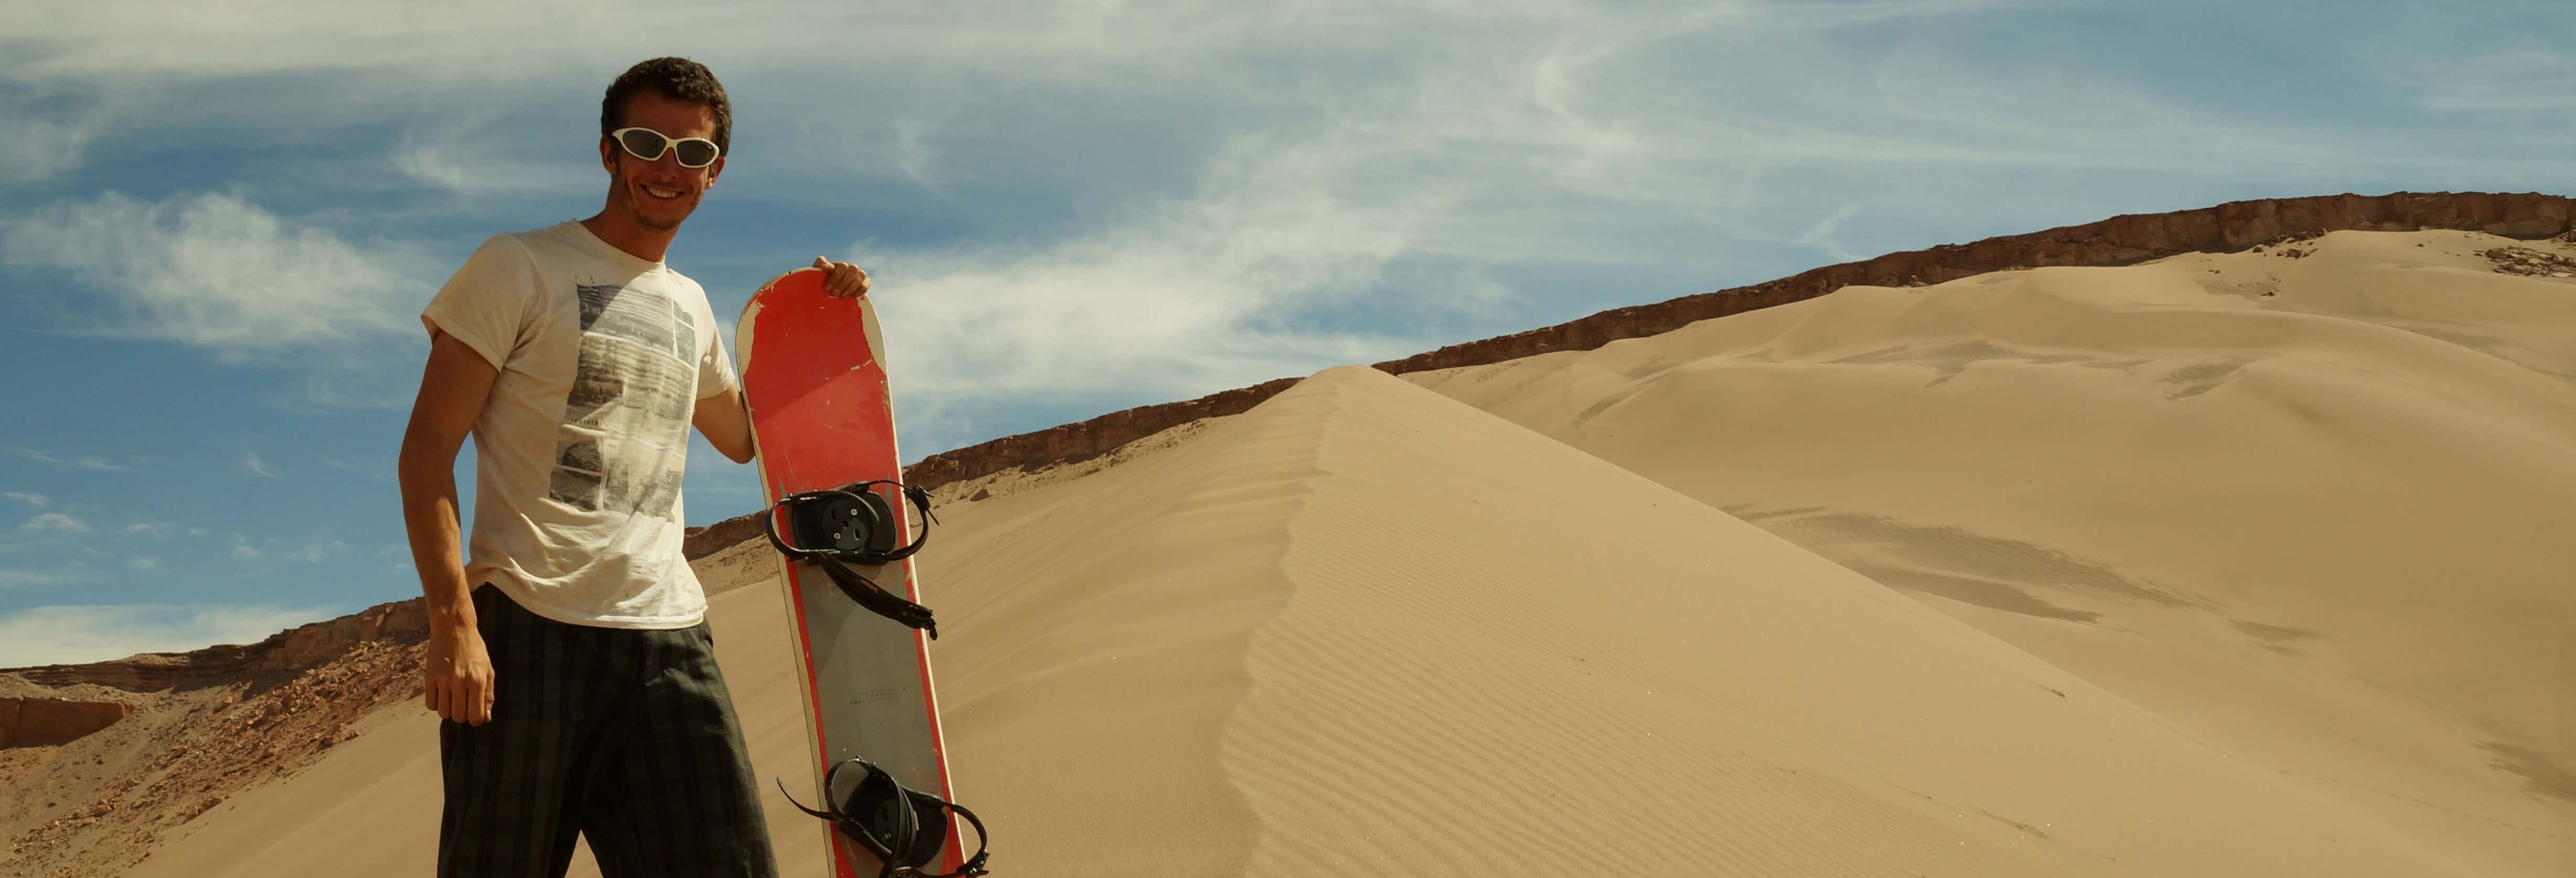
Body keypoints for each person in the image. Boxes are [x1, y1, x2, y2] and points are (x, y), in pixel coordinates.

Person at [396, 57, 870, 877]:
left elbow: (752, 435)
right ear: (609, 152)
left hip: (669, 635)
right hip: (528, 629)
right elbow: (426, 453)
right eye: (645, 143)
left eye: (691, 154)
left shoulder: (690, 304)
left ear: (715, 173)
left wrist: (816, 321)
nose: (667, 168)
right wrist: (453, 625)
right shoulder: (518, 266)